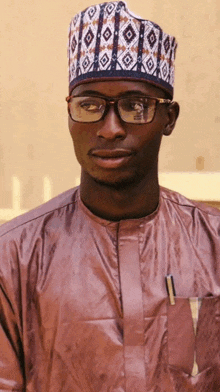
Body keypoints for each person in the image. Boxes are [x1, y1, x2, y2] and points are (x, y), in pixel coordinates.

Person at [1, 1, 220, 391]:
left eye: (135, 106)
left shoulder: (213, 245)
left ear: (169, 118)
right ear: (70, 116)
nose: (110, 128)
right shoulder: (13, 258)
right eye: (90, 106)